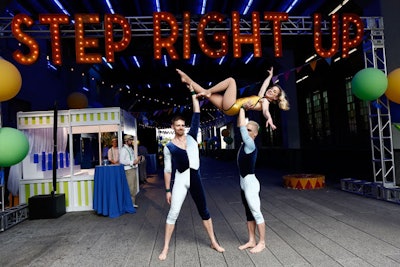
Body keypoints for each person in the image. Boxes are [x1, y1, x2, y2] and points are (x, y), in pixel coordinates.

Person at [158, 75, 225, 261]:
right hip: (180, 179)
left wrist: (194, 94)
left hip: (194, 177)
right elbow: (167, 170)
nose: (181, 127)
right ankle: (165, 248)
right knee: (173, 213)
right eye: (178, 125)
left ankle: (213, 241)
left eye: (182, 125)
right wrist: (167, 190)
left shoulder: (192, 136)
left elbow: (196, 114)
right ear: (173, 127)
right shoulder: (169, 146)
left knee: (204, 210)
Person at [176, 67, 289, 130]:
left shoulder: (265, 102)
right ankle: (187, 79)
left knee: (231, 81)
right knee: (204, 92)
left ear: (275, 98)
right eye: (272, 89)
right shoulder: (260, 96)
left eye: (274, 92)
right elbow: (264, 86)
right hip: (229, 109)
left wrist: (269, 118)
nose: (270, 91)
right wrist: (269, 77)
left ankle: (206, 91)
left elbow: (265, 111)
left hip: (233, 106)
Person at [236, 107, 266, 253]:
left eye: (249, 130)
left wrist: (241, 108)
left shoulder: (250, 144)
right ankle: (251, 240)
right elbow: (239, 126)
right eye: (246, 129)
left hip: (250, 183)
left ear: (255, 133)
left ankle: (262, 242)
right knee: (248, 212)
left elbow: (241, 128)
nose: (246, 132)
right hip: (243, 183)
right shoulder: (244, 145)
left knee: (256, 212)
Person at [119, 134, 140, 208]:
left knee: (134, 186)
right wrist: (132, 162)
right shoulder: (123, 150)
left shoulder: (130, 149)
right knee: (130, 187)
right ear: (126, 141)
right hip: (128, 170)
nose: (131, 141)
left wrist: (136, 160)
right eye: (130, 140)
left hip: (132, 168)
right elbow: (122, 161)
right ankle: (129, 203)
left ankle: (132, 203)